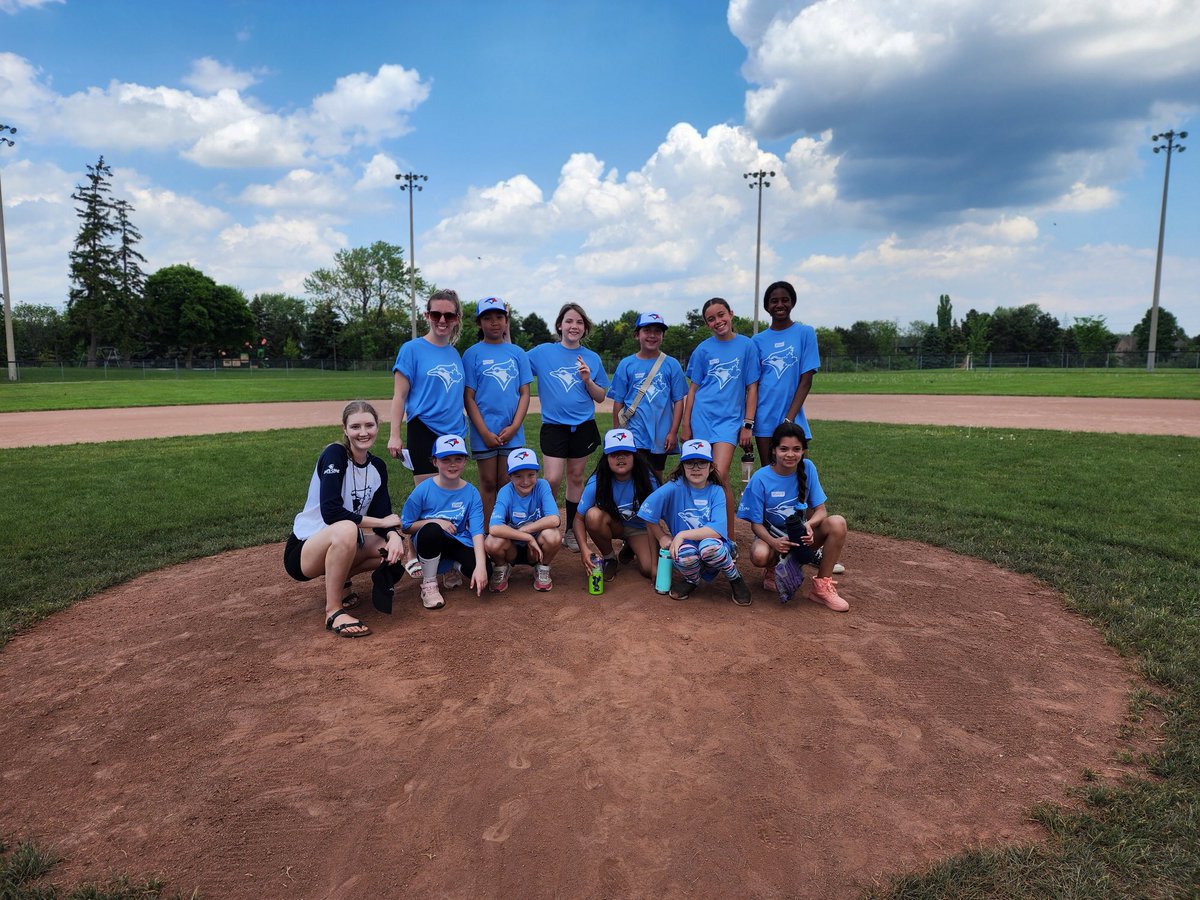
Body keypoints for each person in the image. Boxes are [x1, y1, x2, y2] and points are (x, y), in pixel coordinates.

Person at [284, 401, 404, 638]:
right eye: (355, 426)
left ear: (378, 427)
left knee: (388, 549)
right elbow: (331, 512)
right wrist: (383, 524)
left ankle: (343, 580)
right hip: (304, 550)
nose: (363, 432)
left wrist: (394, 536)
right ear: (345, 429)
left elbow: (383, 512)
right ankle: (333, 611)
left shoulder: (377, 466)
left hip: (342, 541)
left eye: (369, 425)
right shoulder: (335, 454)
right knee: (347, 529)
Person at [389, 289, 467, 576]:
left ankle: (444, 557)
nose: (442, 320)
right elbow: (399, 396)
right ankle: (412, 548)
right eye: (436, 314)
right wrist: (394, 434)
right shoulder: (412, 349)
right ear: (427, 316)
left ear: (457, 318)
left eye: (448, 315)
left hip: (454, 433)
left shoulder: (454, 353)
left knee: (448, 496)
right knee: (426, 495)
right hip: (424, 429)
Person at [736, 422, 849, 610]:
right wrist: (774, 543)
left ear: (803, 450)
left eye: (797, 449)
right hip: (773, 538)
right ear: (773, 450)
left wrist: (810, 525)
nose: (790, 454)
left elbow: (821, 510)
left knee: (838, 523)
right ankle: (773, 569)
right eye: (784, 449)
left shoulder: (808, 468)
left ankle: (821, 587)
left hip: (801, 536)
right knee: (759, 555)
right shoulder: (760, 478)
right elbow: (756, 525)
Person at [527, 302, 610, 553]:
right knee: (551, 479)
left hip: (582, 426)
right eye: (569, 321)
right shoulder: (541, 353)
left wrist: (587, 380)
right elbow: (515, 359)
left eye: (579, 322)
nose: (574, 326)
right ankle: (545, 526)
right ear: (560, 325)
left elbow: (600, 397)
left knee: (575, 478)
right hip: (554, 426)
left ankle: (572, 531)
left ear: (584, 328)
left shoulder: (592, 358)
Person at [681, 297, 760, 542]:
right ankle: (701, 531)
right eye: (711, 319)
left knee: (718, 474)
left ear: (731, 314)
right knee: (700, 476)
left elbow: (752, 387)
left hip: (729, 421)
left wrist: (747, 424)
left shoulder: (747, 346)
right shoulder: (703, 350)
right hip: (702, 417)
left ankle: (728, 538)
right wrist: (686, 424)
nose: (718, 321)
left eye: (721, 315)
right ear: (707, 324)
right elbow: (693, 389)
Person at [640, 438, 753, 606]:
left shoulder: (716, 491)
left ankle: (734, 578)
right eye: (690, 463)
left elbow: (717, 530)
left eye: (702, 463)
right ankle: (692, 580)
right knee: (683, 553)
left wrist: (682, 534)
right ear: (682, 466)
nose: (696, 468)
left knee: (709, 547)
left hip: (715, 548)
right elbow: (646, 510)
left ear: (711, 466)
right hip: (688, 550)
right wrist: (662, 537)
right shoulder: (674, 487)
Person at [463, 296, 533, 528]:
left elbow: (524, 393)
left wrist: (514, 427)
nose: (494, 322)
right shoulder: (472, 354)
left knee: (507, 483)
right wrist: (482, 431)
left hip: (511, 431)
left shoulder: (517, 353)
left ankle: (507, 532)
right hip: (484, 432)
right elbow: (469, 397)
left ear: (506, 321)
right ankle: (486, 533)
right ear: (479, 323)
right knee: (488, 483)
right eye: (488, 318)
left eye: (499, 317)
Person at [401, 434, 488, 610]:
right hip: (429, 542)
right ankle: (429, 584)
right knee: (432, 529)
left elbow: (477, 531)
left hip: (457, 540)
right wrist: (436, 521)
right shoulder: (423, 490)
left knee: (486, 570)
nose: (453, 464)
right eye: (445, 459)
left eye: (458, 459)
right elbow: (406, 525)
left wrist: (481, 566)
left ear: (465, 461)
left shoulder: (471, 492)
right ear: (434, 462)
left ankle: (450, 566)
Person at [608, 311, 687, 485]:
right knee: (632, 475)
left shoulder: (671, 364)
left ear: (662, 336)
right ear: (637, 335)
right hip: (633, 432)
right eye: (647, 330)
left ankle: (654, 510)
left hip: (660, 433)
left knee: (656, 475)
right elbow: (618, 401)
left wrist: (673, 432)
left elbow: (679, 400)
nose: (652, 335)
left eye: (657, 331)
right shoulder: (626, 364)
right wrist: (617, 433)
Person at [571, 429, 660, 583]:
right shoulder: (597, 482)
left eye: (626, 452)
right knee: (592, 516)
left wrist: (655, 562)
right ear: (606, 457)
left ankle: (632, 546)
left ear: (634, 455)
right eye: (614, 453)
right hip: (614, 524)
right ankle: (609, 558)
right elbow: (578, 519)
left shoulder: (647, 479)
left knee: (648, 569)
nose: (620, 457)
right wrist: (584, 550)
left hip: (640, 528)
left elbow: (656, 518)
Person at [751, 281, 821, 465]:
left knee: (798, 472)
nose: (779, 305)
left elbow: (806, 380)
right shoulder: (757, 341)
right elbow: (753, 385)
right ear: (767, 306)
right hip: (764, 415)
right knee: (769, 472)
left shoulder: (805, 333)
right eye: (774, 301)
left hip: (794, 417)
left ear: (792, 303)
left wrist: (789, 419)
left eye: (785, 300)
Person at [485, 448, 561, 592]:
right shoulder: (506, 491)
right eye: (518, 476)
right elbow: (494, 528)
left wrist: (525, 530)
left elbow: (554, 519)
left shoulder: (542, 485)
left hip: (536, 550)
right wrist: (526, 537)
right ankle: (501, 567)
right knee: (491, 541)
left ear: (537, 474)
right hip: (511, 548)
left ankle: (543, 567)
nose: (525, 481)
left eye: (531, 475)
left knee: (553, 535)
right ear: (510, 476)